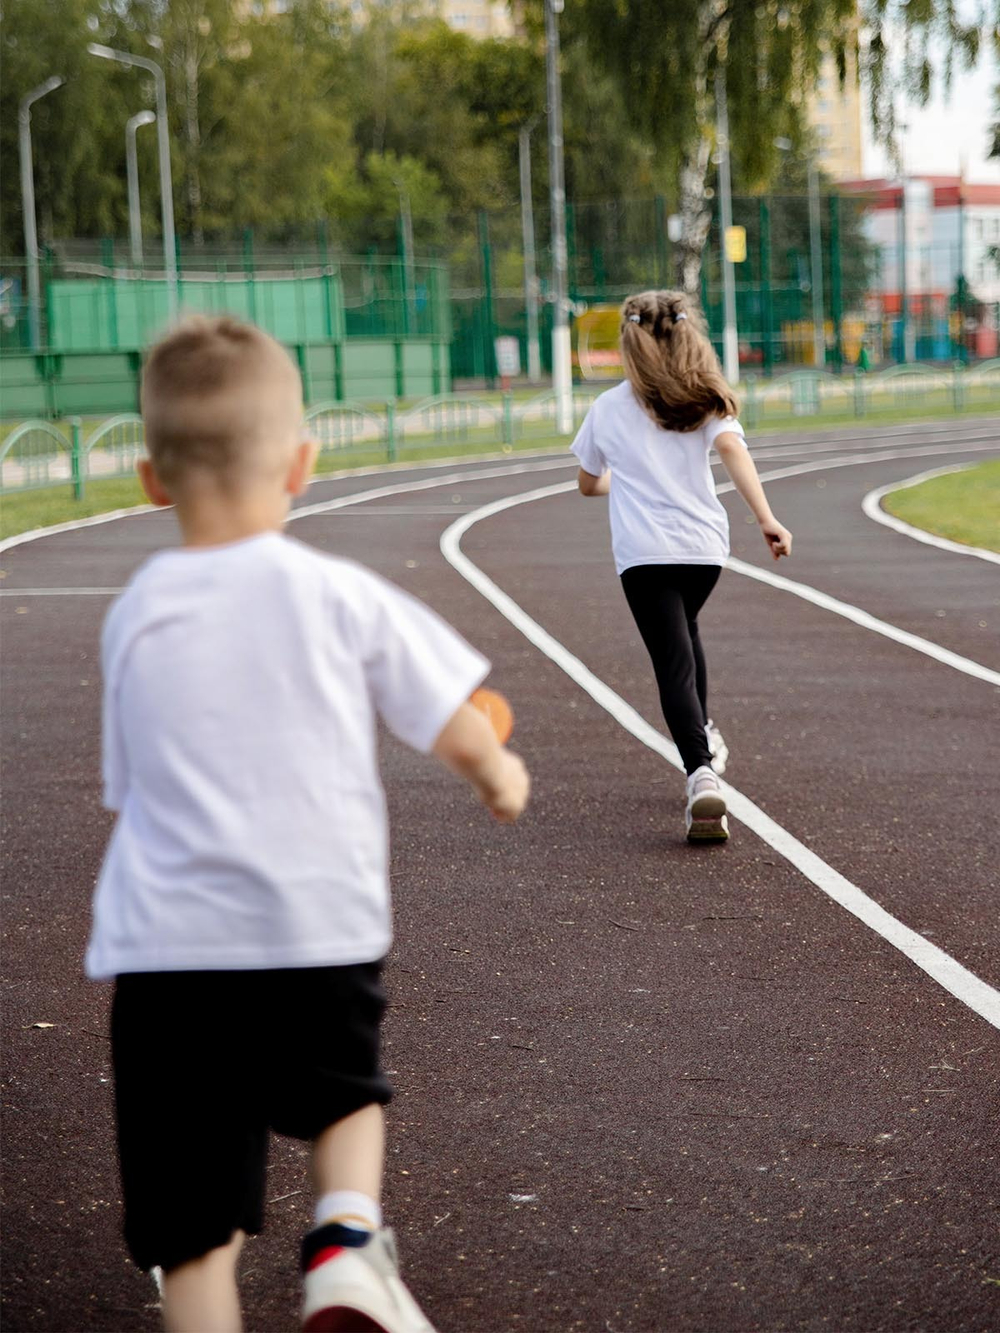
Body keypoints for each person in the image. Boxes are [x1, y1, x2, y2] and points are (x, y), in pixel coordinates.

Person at [85, 314, 530, 1333]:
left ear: (151, 481)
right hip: (315, 923)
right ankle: (343, 1242)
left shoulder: (135, 614)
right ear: (302, 464)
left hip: (168, 952)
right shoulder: (338, 593)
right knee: (344, 1097)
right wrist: (498, 773)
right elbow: (451, 720)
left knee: (193, 1228)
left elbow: (128, 785)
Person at [570, 290, 791, 842]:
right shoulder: (705, 396)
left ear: (630, 341)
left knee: (672, 661)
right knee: (685, 634)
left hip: (644, 555)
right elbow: (733, 451)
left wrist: (625, 480)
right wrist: (766, 518)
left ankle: (699, 774)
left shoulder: (608, 408)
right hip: (703, 551)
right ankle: (705, 732)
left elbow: (588, 483)